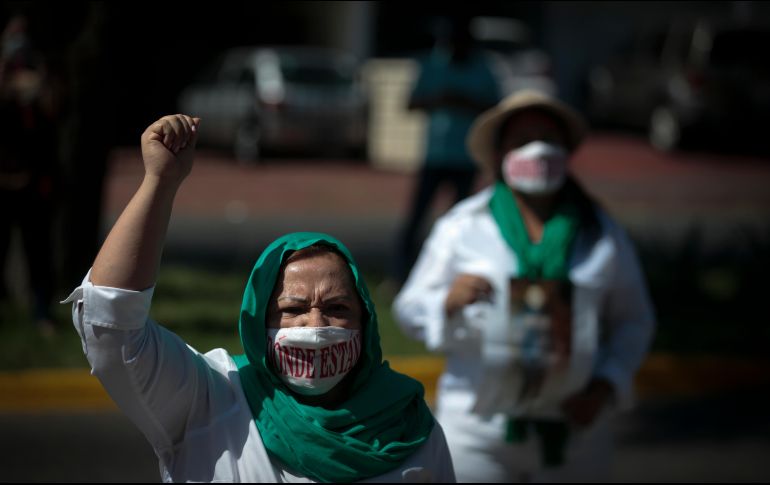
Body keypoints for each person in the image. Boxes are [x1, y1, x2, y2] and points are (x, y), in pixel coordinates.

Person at [62, 114, 455, 483]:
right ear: (259, 322)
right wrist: (160, 182)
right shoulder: (211, 395)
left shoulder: (409, 426)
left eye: (336, 308)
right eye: (293, 309)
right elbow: (111, 323)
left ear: (365, 322)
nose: (315, 328)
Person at [392, 90, 656, 482]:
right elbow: (408, 308)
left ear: (567, 151)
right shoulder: (462, 226)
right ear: (500, 155)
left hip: (577, 432)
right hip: (477, 431)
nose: (538, 149)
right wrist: (446, 302)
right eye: (523, 140)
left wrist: (604, 387)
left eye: (549, 139)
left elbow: (634, 321)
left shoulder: (600, 232)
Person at [393, 16, 502, 283]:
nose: (455, 48)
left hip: (466, 158)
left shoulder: (483, 68)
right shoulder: (432, 63)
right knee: (416, 219)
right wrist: (438, 99)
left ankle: (454, 273)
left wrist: (467, 103)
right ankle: (400, 273)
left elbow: (497, 109)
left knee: (462, 222)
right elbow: (410, 103)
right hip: (435, 154)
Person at [0, 13, 61, 336]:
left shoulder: (39, 82)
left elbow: (53, 108)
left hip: (34, 183)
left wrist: (40, 78)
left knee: (39, 254)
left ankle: (41, 313)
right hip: (4, 181)